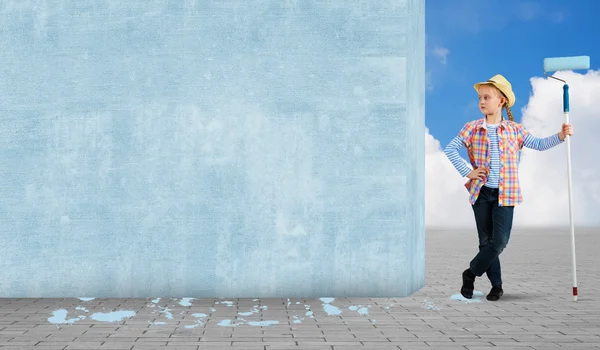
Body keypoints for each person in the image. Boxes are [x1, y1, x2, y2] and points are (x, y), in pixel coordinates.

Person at [443, 74, 573, 301]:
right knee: (486, 242)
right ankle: (497, 286)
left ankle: (470, 273)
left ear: (501, 101)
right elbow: (451, 149)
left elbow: (539, 144)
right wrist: (468, 172)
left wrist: (561, 136)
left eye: (487, 97)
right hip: (481, 194)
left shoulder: (514, 130)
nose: (482, 101)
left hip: (506, 194)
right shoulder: (472, 128)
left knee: (499, 242)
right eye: (480, 98)